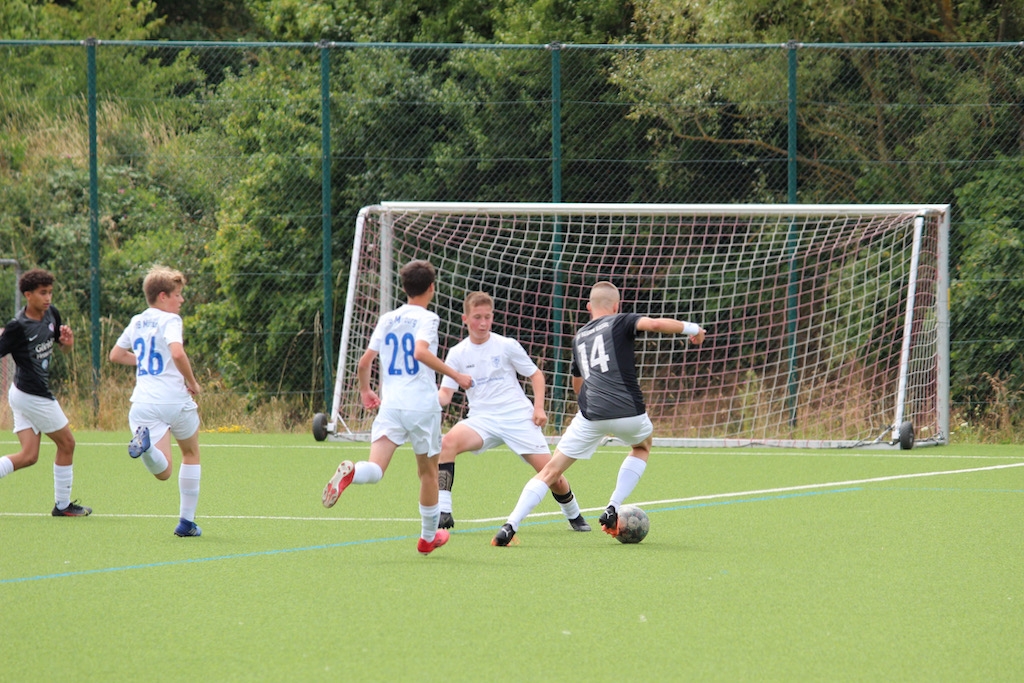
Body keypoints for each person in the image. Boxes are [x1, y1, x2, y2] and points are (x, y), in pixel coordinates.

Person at [492, 281, 706, 546]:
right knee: (642, 446)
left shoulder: (579, 337)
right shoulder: (620, 321)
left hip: (591, 414)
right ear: (616, 306)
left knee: (550, 471)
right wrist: (694, 329)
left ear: (588, 307)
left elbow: (577, 385)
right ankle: (613, 506)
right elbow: (655, 324)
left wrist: (593, 405)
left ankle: (509, 526)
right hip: (629, 412)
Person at [321, 260, 473, 555]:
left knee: (376, 468)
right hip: (421, 406)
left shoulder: (388, 318)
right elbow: (420, 352)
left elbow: (364, 362)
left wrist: (366, 391)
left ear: (404, 288)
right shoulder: (429, 318)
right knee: (428, 473)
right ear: (432, 288)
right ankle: (427, 538)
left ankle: (353, 472)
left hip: (391, 405)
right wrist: (456, 376)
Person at [436, 291, 589, 532]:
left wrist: (539, 408)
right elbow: (445, 395)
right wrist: (425, 403)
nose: (483, 323)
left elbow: (536, 375)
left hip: (518, 418)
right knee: (447, 443)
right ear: (465, 319)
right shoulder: (457, 353)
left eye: (487, 317)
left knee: (553, 475)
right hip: (482, 420)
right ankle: (443, 512)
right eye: (477, 317)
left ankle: (574, 514)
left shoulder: (506, 345)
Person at [109, 266, 203, 537]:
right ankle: (186, 523)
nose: (181, 300)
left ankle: (147, 447)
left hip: (143, 403)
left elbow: (116, 355)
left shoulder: (137, 321)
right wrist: (192, 382)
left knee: (163, 471)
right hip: (174, 400)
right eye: (177, 294)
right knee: (190, 453)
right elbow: (177, 353)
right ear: (163, 296)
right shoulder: (171, 320)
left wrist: (145, 362)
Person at [0, 269, 90, 516]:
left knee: (29, 456)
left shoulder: (52, 314)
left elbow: (62, 347)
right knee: (67, 443)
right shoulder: (18, 326)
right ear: (28, 295)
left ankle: (62, 506)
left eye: (50, 292)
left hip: (21, 393)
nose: (48, 297)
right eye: (42, 293)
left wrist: (68, 344)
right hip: (33, 396)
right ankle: (63, 506)